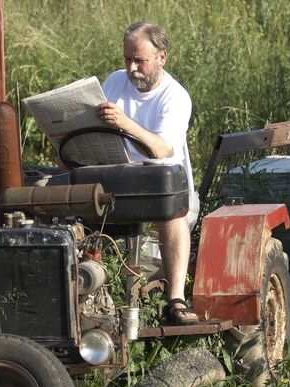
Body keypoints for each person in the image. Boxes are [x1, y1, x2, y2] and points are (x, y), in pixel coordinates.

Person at [96, 21, 199, 325]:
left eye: (139, 60)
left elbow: (161, 149)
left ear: (161, 57)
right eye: (127, 58)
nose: (131, 68)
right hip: (117, 183)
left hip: (161, 189)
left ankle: (176, 299)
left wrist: (124, 123)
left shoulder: (174, 97)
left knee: (172, 212)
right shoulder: (114, 81)